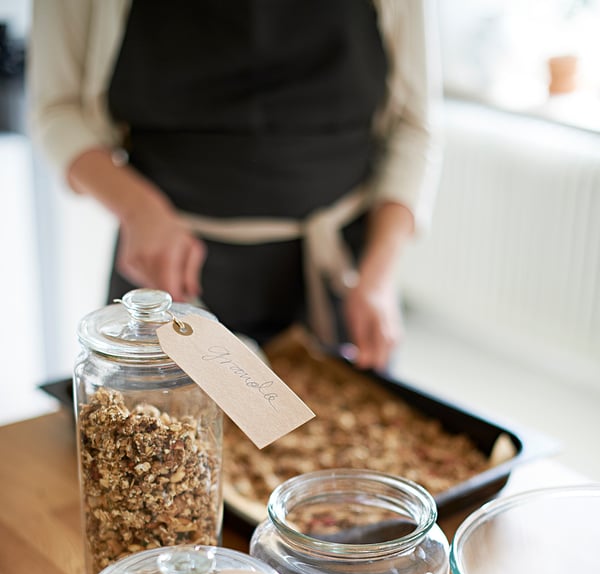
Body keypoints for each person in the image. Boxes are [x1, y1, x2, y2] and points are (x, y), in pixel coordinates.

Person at [28, 0, 442, 371]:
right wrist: (137, 209)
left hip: (339, 274)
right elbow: (57, 111)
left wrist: (378, 276)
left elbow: (413, 124)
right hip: (167, 270)